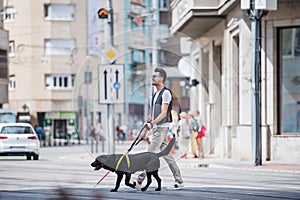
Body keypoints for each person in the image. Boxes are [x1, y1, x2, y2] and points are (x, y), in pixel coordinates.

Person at [135, 67, 184, 190]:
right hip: (157, 128)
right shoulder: (155, 94)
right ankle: (179, 181)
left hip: (162, 128)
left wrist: (153, 124)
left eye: (154, 76)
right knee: (168, 156)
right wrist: (146, 127)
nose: (152, 78)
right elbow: (152, 114)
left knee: (149, 155)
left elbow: (163, 113)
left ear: (161, 78)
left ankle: (139, 181)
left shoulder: (166, 93)